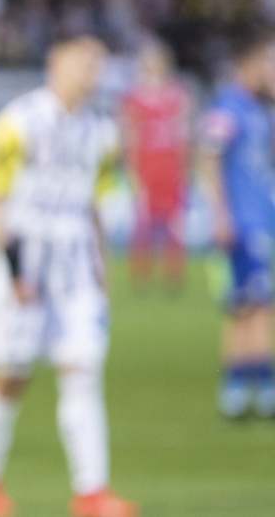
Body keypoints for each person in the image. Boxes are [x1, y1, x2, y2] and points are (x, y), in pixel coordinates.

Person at [0, 36, 138, 517]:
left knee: (82, 370)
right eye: (82, 63)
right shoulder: (20, 120)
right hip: (26, 262)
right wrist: (13, 267)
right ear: (55, 64)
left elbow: (97, 207)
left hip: (76, 266)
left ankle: (92, 491)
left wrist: (105, 274)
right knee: (10, 374)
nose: (90, 73)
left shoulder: (102, 130)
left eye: (97, 65)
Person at [198, 26, 275, 419]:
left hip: (262, 219)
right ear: (249, 64)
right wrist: (220, 212)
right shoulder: (229, 106)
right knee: (253, 305)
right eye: (267, 62)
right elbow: (208, 156)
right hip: (243, 224)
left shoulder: (259, 110)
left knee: (251, 304)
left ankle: (243, 386)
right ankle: (255, 386)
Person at [119, 40, 192, 290]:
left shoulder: (178, 94)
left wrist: (185, 166)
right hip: (146, 167)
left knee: (175, 222)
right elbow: (130, 135)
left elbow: (183, 134)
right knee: (143, 221)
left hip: (171, 166)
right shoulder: (134, 97)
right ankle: (141, 274)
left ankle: (173, 273)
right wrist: (131, 168)